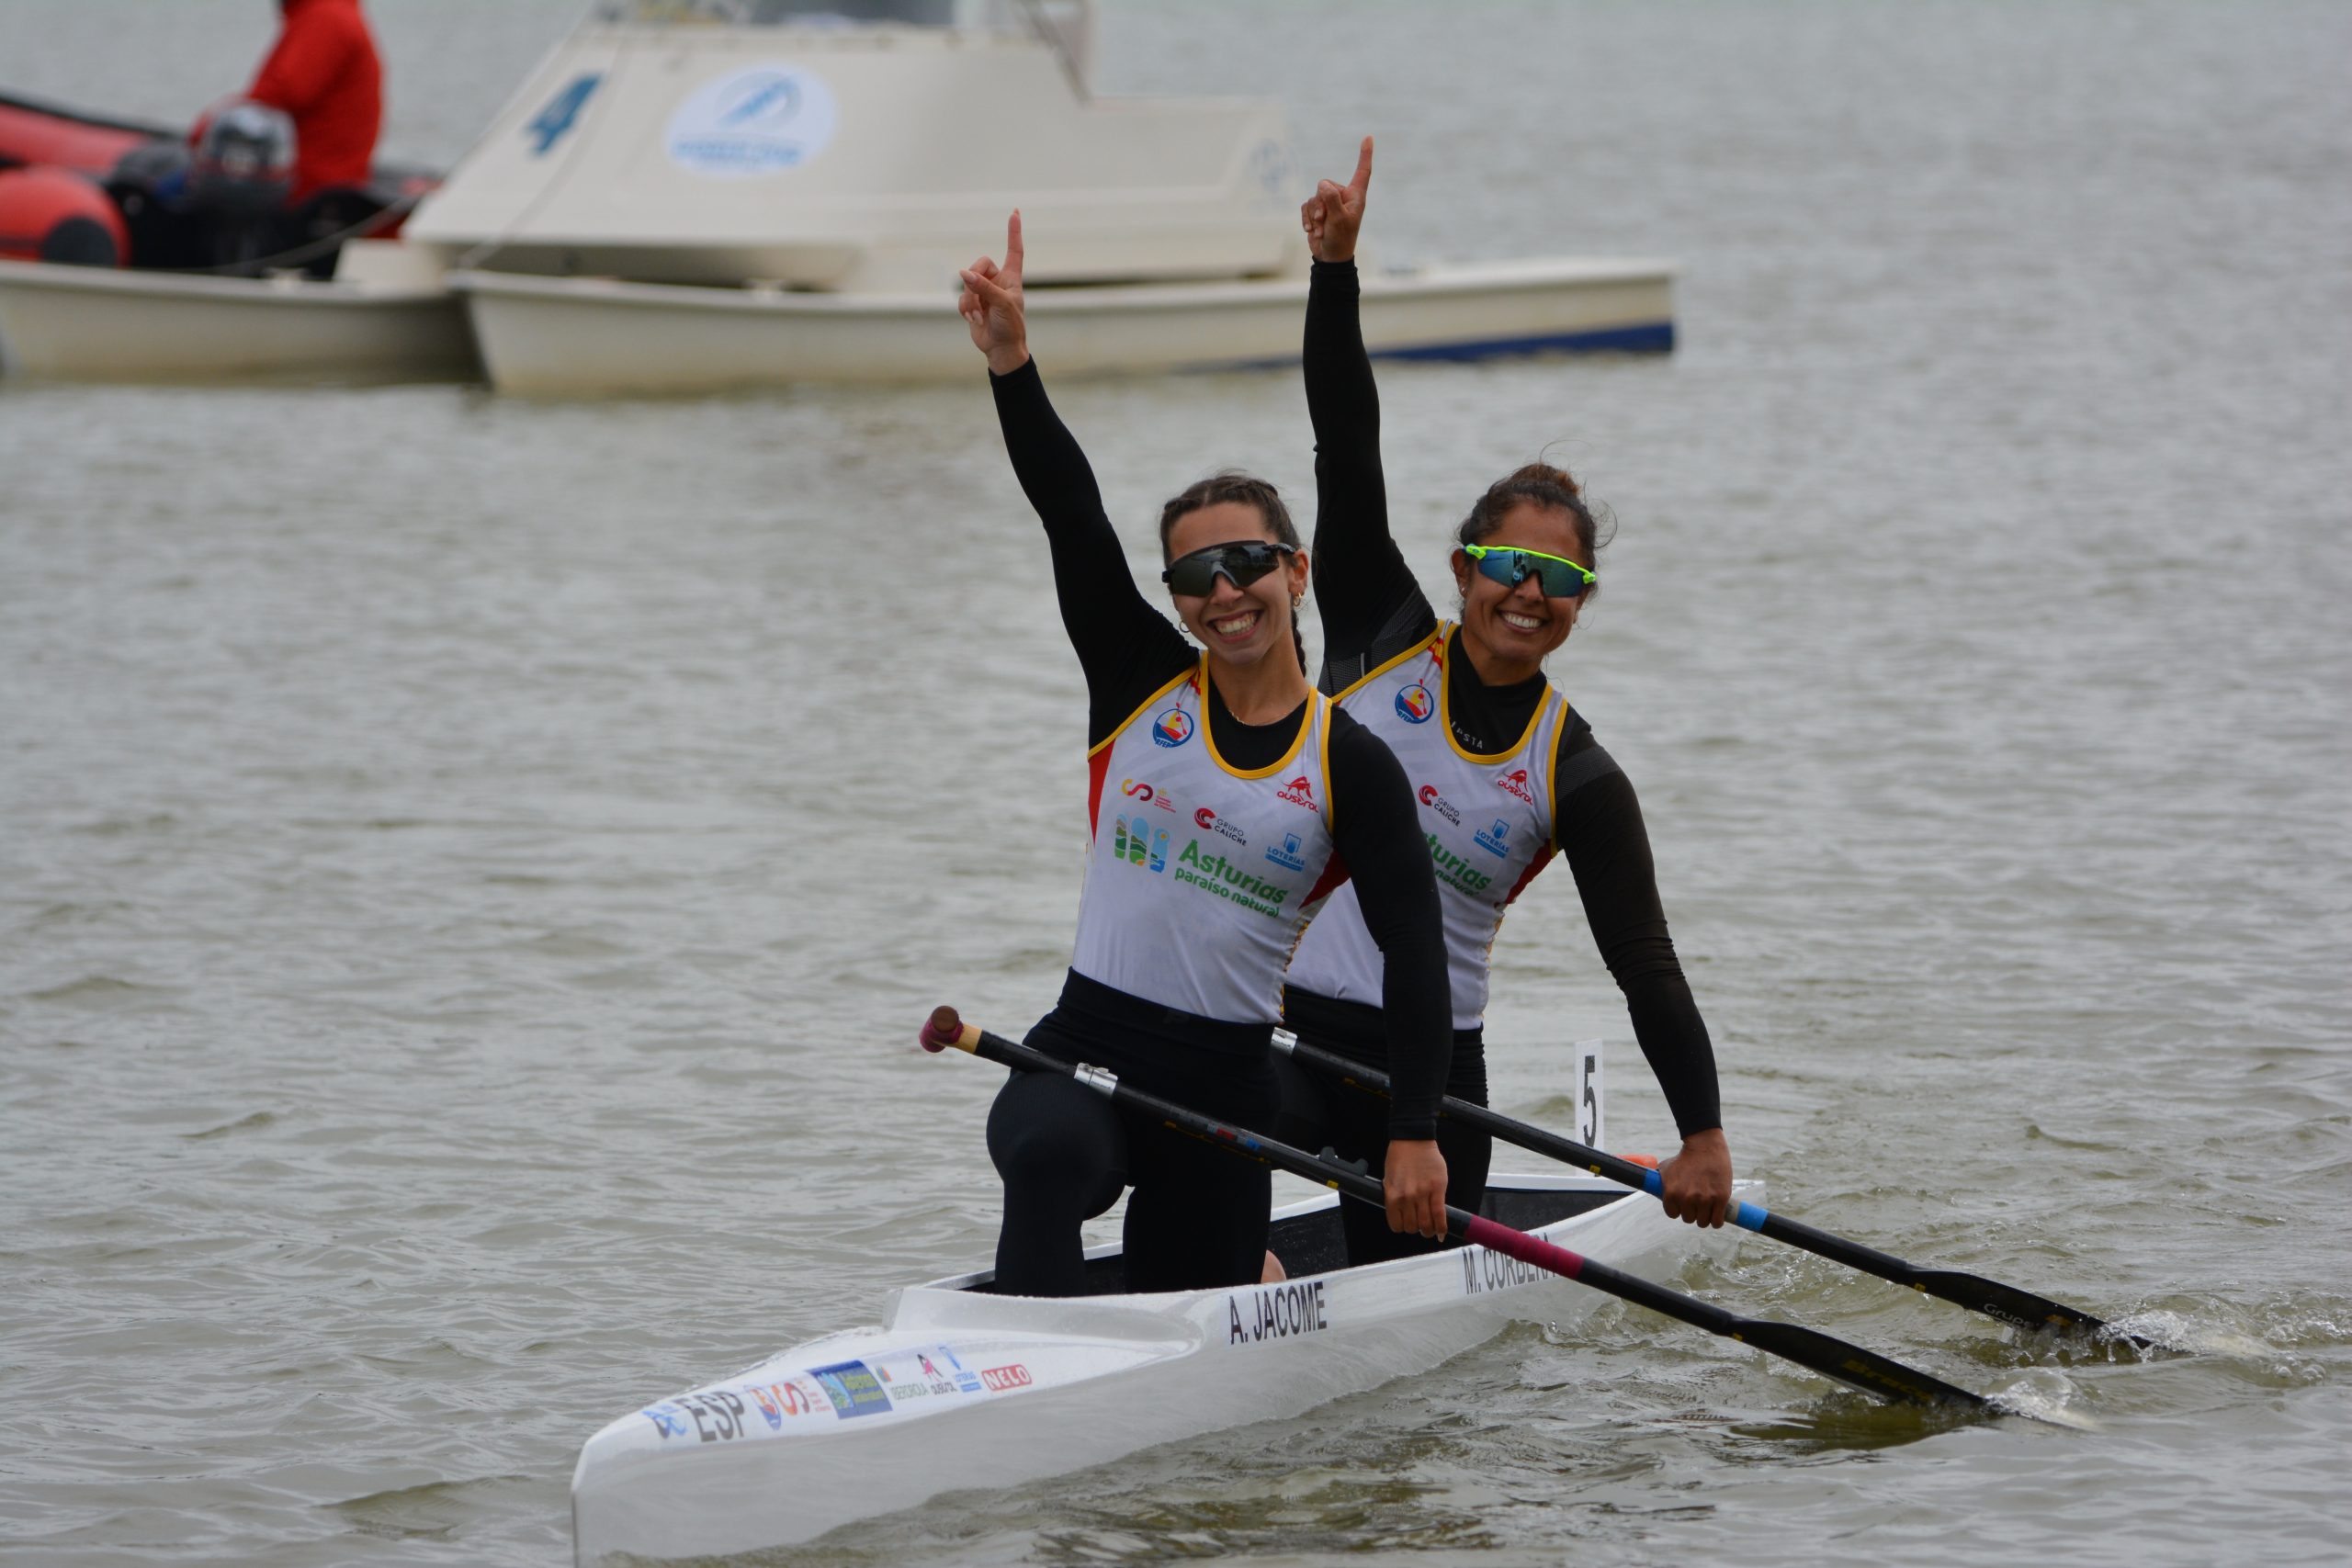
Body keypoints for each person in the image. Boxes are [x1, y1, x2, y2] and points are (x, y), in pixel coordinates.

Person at [956, 213, 1455, 1298]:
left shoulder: (1350, 762)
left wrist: (1414, 1135)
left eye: (1245, 563)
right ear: (1177, 602)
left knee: (1197, 1278)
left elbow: (1415, 953)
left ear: (1297, 571)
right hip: (1084, 1044)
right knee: (1044, 1151)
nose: (1223, 592)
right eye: (1194, 577)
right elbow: (1070, 516)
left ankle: (1242, 1270)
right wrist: (1011, 363)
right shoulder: (1137, 685)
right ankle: (1024, 1376)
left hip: (1226, 1088)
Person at [1275, 140, 1735, 1269]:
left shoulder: (1574, 771)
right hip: (1278, 1040)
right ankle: (1241, 1263)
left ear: (1581, 603)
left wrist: (1701, 1139)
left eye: (1562, 580)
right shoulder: (1379, 640)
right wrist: (1335, 271)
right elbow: (1345, 442)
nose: (1529, 595)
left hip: (1428, 1089)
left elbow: (1644, 963)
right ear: (1460, 567)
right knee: (1198, 1195)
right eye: (1507, 567)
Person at [236, 0, 383, 206]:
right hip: (324, 177)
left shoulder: (326, 18)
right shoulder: (329, 12)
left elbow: (280, 95)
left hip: (313, 185)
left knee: (180, 188)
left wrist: (204, 130)